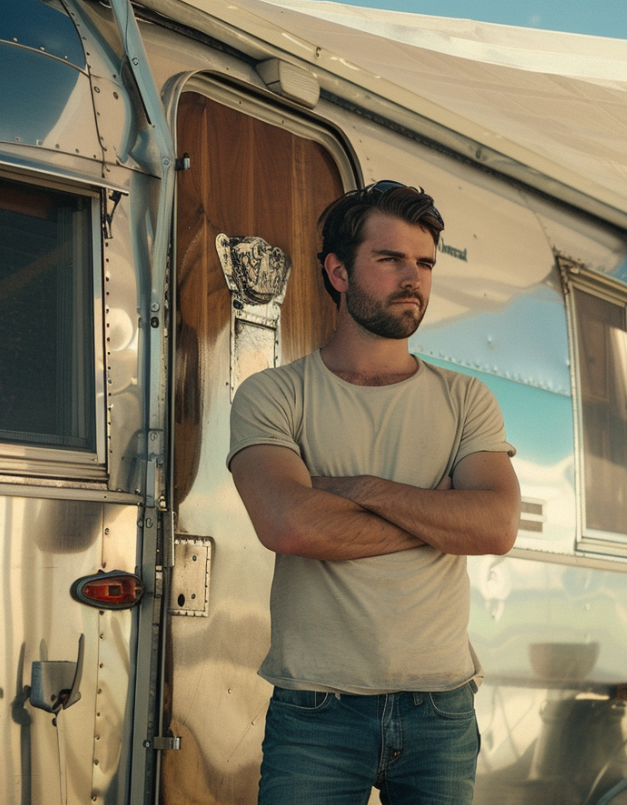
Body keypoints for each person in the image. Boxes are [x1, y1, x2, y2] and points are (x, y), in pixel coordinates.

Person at [227, 181, 520, 804]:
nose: (412, 278)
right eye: (390, 260)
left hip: (440, 710)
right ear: (338, 270)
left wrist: (357, 489)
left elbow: (494, 528)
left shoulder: (465, 399)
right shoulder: (275, 395)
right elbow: (290, 526)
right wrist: (438, 512)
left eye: (424, 263)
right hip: (316, 712)